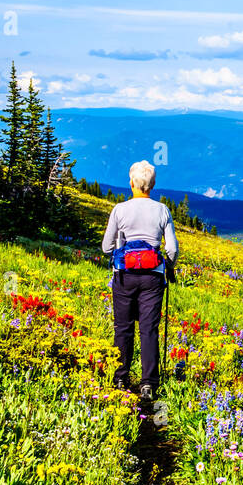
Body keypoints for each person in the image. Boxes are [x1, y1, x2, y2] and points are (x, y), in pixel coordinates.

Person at [102, 160, 178, 401]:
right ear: (152, 184)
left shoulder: (119, 209)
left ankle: (121, 377)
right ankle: (148, 383)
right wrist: (169, 267)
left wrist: (119, 251)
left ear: (132, 183)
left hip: (124, 276)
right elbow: (173, 249)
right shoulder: (162, 210)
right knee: (148, 329)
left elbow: (106, 247)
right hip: (152, 277)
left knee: (123, 327)